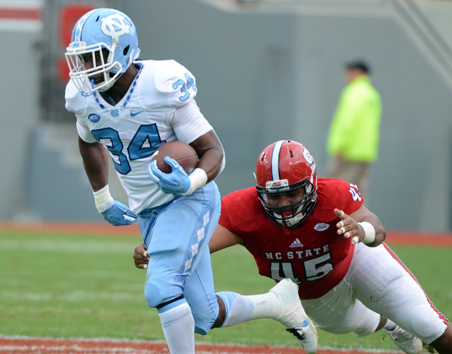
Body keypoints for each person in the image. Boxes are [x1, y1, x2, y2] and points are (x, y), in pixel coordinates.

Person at [64, 9, 317, 354]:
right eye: (80, 58)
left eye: (94, 57)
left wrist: (191, 182)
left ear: (123, 52)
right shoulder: (82, 96)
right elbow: (88, 139)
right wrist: (103, 197)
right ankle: (278, 304)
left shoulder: (159, 86)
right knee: (204, 313)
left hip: (188, 200)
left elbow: (213, 150)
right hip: (150, 211)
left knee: (161, 288)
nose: (86, 68)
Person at [134, 140, 452, 354]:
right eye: (275, 194)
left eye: (292, 193)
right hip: (317, 294)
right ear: (260, 191)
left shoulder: (334, 194)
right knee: (354, 324)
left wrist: (359, 228)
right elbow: (194, 245)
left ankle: (411, 326)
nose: (284, 203)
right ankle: (392, 325)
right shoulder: (242, 210)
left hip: (356, 258)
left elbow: (378, 228)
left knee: (430, 324)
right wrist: (161, 252)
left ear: (312, 185)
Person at [326, 60, 382, 196]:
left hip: (349, 151)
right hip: (365, 152)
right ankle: (360, 218)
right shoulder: (372, 94)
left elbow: (348, 122)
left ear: (357, 73)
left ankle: (338, 218)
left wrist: (340, 146)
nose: (346, 76)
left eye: (348, 72)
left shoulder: (354, 93)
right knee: (359, 193)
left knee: (338, 190)